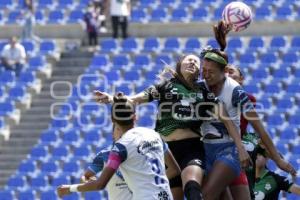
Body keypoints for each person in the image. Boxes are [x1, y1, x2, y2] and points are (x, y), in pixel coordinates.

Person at [94, 54, 250, 200]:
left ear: (199, 72)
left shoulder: (204, 93)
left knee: (193, 189)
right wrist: (110, 98)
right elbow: (134, 100)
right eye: (188, 60)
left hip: (192, 149)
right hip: (164, 151)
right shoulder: (164, 87)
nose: (192, 62)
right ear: (179, 65)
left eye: (196, 62)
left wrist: (241, 148)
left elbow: (227, 121)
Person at [200, 21, 296, 200]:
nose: (205, 75)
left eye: (210, 71)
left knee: (206, 196)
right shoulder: (202, 86)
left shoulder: (239, 93)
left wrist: (278, 159)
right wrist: (222, 44)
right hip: (207, 150)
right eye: (203, 70)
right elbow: (212, 59)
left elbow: (260, 129)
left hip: (233, 151)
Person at [57, 93, 180, 200]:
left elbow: (100, 184)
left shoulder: (120, 148)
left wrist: (70, 188)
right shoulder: (154, 135)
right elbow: (175, 170)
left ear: (112, 120)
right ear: (135, 117)